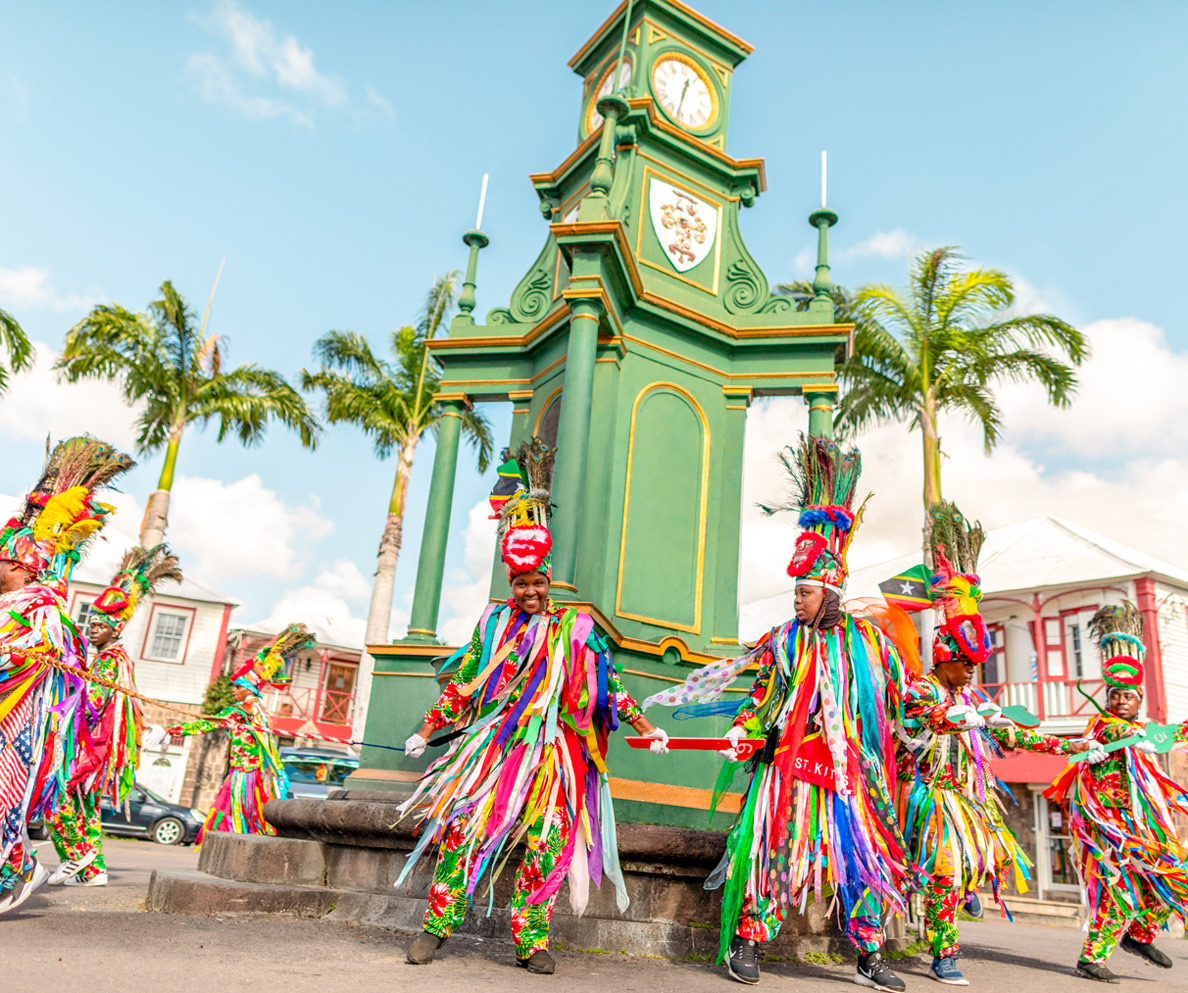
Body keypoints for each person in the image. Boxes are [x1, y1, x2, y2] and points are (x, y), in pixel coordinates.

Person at [644, 436, 911, 991]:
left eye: (806, 590)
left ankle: (870, 956)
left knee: (863, 863)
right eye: (795, 589)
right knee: (773, 852)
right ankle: (747, 941)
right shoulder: (783, 641)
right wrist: (744, 730)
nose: (796, 598)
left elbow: (905, 693)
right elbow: (761, 695)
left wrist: (944, 713)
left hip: (848, 775)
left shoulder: (871, 644)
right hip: (789, 769)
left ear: (831, 591)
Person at [398, 441, 668, 975]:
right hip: (500, 749)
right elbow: (467, 683)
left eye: (536, 583)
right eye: (520, 583)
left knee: (549, 843)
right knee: (465, 831)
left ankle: (532, 939)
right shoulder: (492, 624)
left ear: (548, 582)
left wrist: (645, 724)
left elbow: (609, 686)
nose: (529, 591)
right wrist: (427, 728)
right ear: (510, 583)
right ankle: (436, 927)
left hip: (559, 756)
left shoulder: (576, 628)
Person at [895, 503, 1097, 985]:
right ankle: (941, 955)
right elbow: (919, 721)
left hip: (965, 800)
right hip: (922, 797)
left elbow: (1008, 730)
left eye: (975, 664)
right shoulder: (922, 688)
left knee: (978, 861)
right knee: (942, 871)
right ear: (944, 657)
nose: (971, 670)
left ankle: (949, 914)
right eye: (965, 661)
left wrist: (1064, 746)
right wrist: (953, 715)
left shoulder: (974, 697)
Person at [0, 436, 133, 915]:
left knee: (17, 801)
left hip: (31, 729)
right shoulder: (10, 601)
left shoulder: (39, 604)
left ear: (17, 564)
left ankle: (38, 868)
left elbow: (46, 655)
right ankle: (41, 865)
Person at [1045, 603, 1188, 983]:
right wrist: (1143, 736)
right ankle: (1091, 959)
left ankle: (1139, 937)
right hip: (1108, 827)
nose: (1120, 701)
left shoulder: (1141, 728)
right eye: (1114, 695)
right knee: (1116, 892)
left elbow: (1165, 737)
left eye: (1128, 696)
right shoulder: (1103, 726)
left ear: (1139, 700)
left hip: (1141, 827)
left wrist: (1162, 735)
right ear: (1107, 700)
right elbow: (1120, 736)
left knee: (1176, 874)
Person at [47, 544, 180, 886]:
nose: (92, 629)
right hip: (95, 746)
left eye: (99, 626)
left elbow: (91, 704)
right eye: (90, 624)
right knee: (86, 809)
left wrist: (59, 697)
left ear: (115, 630)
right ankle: (94, 872)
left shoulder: (108, 660)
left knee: (55, 800)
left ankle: (77, 856)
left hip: (88, 746)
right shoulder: (113, 657)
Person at [164, 624, 312, 845]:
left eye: (237, 686)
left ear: (249, 688)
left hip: (243, 773)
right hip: (255, 773)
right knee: (244, 811)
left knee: (234, 809)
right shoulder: (258, 708)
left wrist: (170, 730)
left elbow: (205, 725)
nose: (233, 690)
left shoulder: (241, 710)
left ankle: (230, 844)